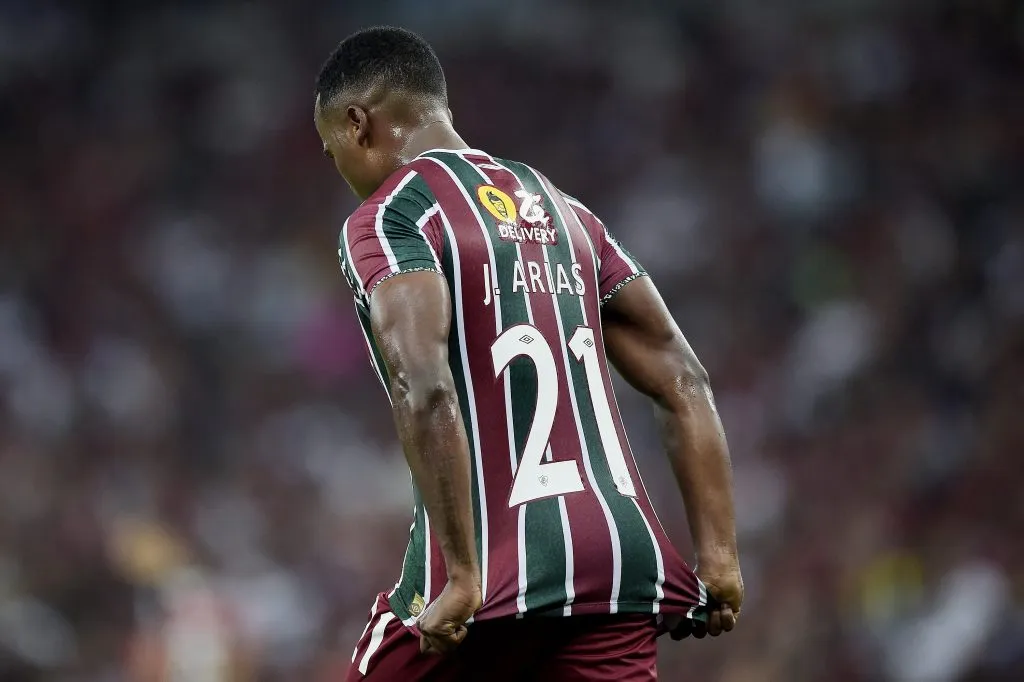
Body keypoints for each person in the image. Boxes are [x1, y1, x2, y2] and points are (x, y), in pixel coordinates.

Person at [314, 26, 743, 682]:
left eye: (332, 148)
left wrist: (461, 574)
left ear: (358, 123)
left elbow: (425, 385)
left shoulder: (391, 218)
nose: (339, 167)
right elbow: (683, 376)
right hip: (616, 568)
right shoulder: (568, 213)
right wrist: (718, 557)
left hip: (494, 568)